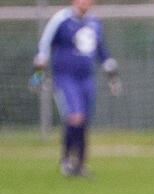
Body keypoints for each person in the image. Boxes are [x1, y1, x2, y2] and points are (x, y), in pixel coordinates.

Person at [31, 0, 121, 177]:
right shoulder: (61, 20)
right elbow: (44, 47)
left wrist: (112, 78)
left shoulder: (95, 22)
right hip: (65, 78)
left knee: (84, 120)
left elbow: (102, 52)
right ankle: (66, 160)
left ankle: (79, 164)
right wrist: (37, 77)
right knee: (75, 117)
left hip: (86, 79)